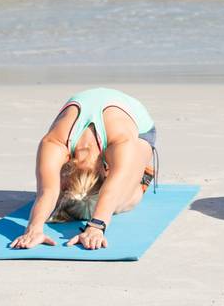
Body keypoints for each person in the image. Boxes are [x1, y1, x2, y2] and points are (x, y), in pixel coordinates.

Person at [10, 87, 159, 250]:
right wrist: (34, 229)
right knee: (78, 203)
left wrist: (96, 227)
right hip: (102, 129)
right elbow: (47, 191)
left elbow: (111, 192)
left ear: (106, 170)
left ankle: (141, 178)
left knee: (120, 202)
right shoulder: (54, 142)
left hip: (140, 131)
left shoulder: (121, 140)